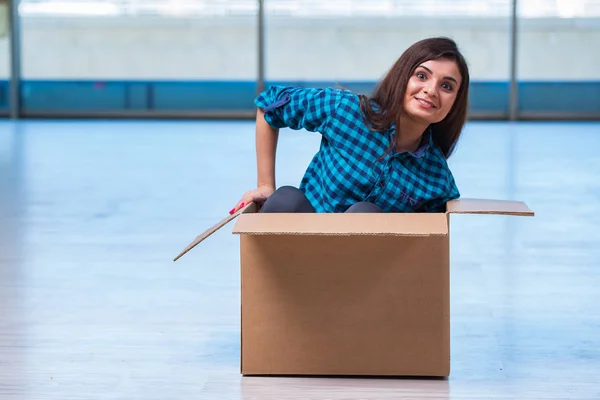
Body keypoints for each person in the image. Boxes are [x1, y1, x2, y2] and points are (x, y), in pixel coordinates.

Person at [230, 37, 469, 215]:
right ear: (402, 77)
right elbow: (269, 104)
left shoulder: (437, 179)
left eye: (446, 86)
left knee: (366, 215)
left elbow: (429, 247)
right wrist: (264, 184)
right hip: (297, 249)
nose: (431, 90)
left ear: (455, 102)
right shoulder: (346, 110)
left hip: (364, 272)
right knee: (286, 199)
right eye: (421, 75)